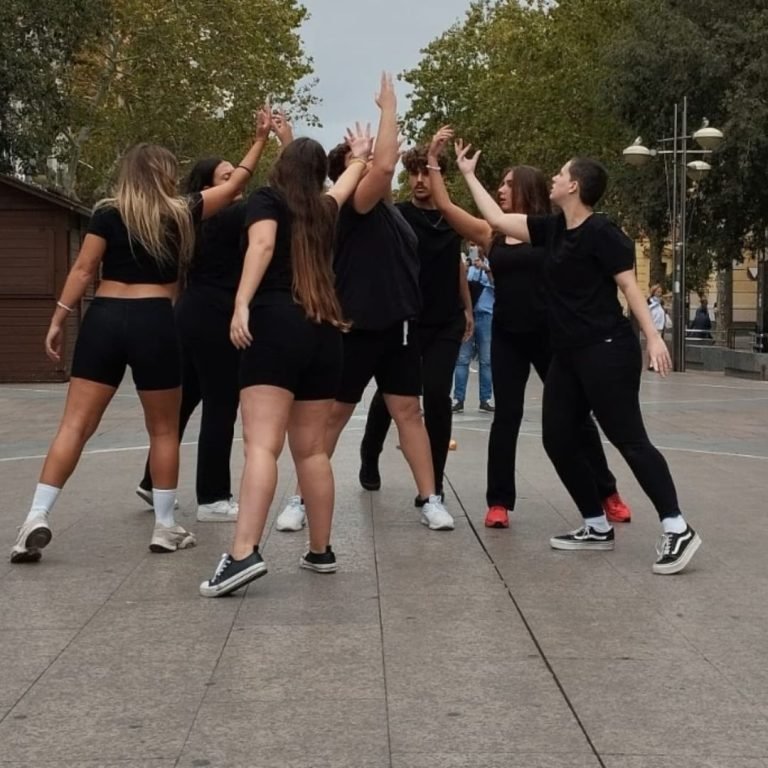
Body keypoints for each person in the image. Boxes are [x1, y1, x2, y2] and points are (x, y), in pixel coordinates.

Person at [10, 112, 272, 563]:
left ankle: (36, 515)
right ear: (165, 174)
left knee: (74, 425)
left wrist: (58, 317)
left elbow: (83, 270)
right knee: (164, 429)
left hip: (104, 318)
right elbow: (236, 183)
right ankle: (165, 526)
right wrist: (261, 139)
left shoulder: (107, 212)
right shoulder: (181, 211)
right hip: (155, 320)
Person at [456, 144, 700, 574]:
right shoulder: (552, 229)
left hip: (606, 349)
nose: (553, 177)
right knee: (557, 438)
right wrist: (468, 175)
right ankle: (595, 523)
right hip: (568, 354)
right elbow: (496, 220)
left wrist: (653, 337)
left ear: (575, 186)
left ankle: (677, 526)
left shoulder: (602, 231)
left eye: (561, 173)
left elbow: (629, 286)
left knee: (629, 439)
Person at [198, 121, 375, 597]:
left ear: (281, 166)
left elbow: (262, 244)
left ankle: (242, 554)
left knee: (261, 444)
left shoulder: (266, 200)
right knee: (312, 450)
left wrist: (240, 303)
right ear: (318, 174)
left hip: (274, 323)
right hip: (325, 330)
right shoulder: (325, 209)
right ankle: (321, 551)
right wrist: (361, 154)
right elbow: (346, 182)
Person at [426, 127, 632, 529]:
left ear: (526, 189)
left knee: (577, 418)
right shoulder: (492, 234)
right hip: (508, 335)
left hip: (552, 336)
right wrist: (435, 161)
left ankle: (606, 491)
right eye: (500, 184)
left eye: (507, 184)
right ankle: (499, 501)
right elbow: (446, 206)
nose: (501, 189)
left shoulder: (554, 231)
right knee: (506, 416)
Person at [275, 73, 454, 534]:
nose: (378, 163)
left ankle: (430, 498)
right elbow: (386, 167)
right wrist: (389, 108)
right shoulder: (354, 206)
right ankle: (299, 499)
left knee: (408, 412)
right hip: (352, 328)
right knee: (333, 417)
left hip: (398, 328)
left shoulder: (390, 213)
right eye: (366, 162)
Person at [136, 113, 296, 523]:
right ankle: (212, 498)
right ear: (208, 188)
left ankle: (151, 481)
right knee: (221, 403)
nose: (237, 183)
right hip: (213, 317)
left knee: (184, 401)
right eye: (227, 177)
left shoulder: (188, 219)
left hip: (188, 314)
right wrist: (284, 141)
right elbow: (282, 192)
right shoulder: (227, 216)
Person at [351, 144, 473, 504]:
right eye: (414, 173)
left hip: (446, 321)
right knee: (393, 395)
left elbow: (457, 265)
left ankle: (433, 483)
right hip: (407, 318)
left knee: (436, 394)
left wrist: (467, 308)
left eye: (426, 172)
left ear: (438, 176)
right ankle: (370, 451)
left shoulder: (452, 217)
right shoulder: (399, 215)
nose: (420, 180)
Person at [453, 247, 494, 413]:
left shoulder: (493, 262)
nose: (476, 248)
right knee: (462, 359)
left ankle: (485, 399)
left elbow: (497, 284)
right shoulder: (467, 265)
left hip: (486, 314)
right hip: (467, 315)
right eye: (473, 245)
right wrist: (466, 269)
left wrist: (486, 269)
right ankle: (458, 399)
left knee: (486, 359)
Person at [647, 284, 667, 369]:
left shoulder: (660, 302)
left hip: (660, 325)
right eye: (658, 292)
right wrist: (655, 304)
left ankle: (654, 363)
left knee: (657, 344)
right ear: (654, 292)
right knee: (653, 344)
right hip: (653, 325)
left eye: (660, 292)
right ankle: (652, 363)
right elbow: (647, 309)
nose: (659, 294)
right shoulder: (650, 301)